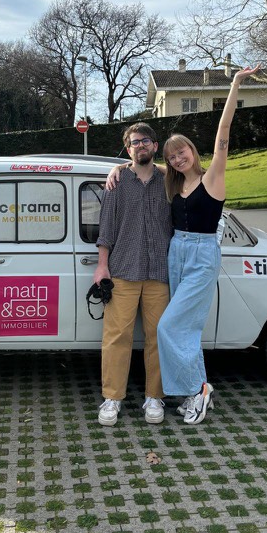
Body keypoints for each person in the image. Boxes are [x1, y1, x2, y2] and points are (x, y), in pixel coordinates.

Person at [105, 65, 260, 425]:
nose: (178, 158)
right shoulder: (170, 182)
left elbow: (223, 134)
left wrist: (235, 84)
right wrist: (114, 169)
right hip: (175, 253)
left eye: (182, 152)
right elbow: (136, 168)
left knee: (169, 327)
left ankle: (197, 389)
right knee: (185, 328)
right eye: (172, 156)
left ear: (192, 151)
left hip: (202, 254)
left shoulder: (213, 177)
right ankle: (193, 392)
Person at [94, 123, 173, 427]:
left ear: (155, 145)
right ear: (127, 149)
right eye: (134, 143)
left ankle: (154, 396)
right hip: (123, 270)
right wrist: (102, 265)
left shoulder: (169, 182)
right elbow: (107, 229)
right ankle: (113, 397)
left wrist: (166, 169)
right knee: (117, 337)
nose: (140, 146)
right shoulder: (116, 183)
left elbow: (200, 176)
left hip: (159, 272)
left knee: (158, 338)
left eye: (146, 141)